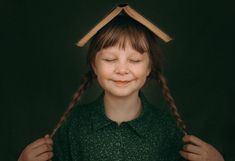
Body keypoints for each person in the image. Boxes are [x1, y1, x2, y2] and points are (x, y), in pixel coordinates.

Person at [18, 5, 225, 161]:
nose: (122, 69)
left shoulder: (167, 130)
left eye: (134, 60)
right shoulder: (73, 126)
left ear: (149, 67)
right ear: (94, 65)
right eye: (110, 59)